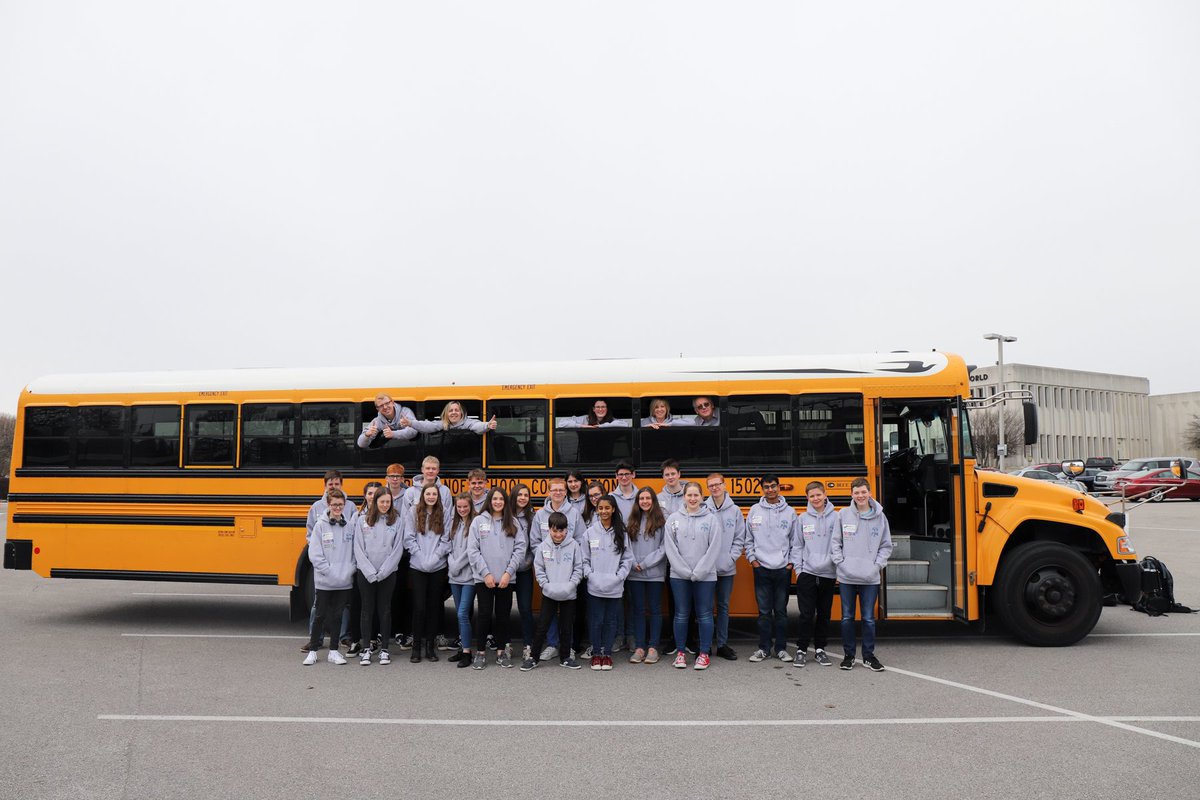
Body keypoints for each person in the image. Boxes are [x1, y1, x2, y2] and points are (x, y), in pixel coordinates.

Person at [832, 477, 893, 672]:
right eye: (856, 493)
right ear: (852, 494)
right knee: (847, 618)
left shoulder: (880, 517)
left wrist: (876, 566)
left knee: (868, 618)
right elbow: (835, 543)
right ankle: (849, 656)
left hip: (870, 577)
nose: (860, 496)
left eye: (863, 492)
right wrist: (841, 564)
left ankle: (868, 656)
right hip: (847, 576)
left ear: (870, 493)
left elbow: (886, 545)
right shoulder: (842, 515)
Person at [664, 482, 722, 670]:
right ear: (684, 497)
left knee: (705, 614)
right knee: (681, 614)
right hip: (679, 576)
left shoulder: (711, 520)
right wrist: (684, 571)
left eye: (696, 495)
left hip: (705, 576)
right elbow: (670, 548)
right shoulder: (673, 519)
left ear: (702, 497)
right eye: (689, 495)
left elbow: (714, 548)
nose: (692, 498)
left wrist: (699, 571)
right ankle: (681, 653)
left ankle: (704, 654)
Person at [467, 487, 526, 669]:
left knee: (503, 616)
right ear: (489, 501)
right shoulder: (478, 521)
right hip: (484, 578)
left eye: (501, 499)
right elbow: (473, 550)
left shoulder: (513, 522)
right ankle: (481, 653)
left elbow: (520, 549)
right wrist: (486, 573)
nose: (498, 502)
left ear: (505, 501)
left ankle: (501, 652)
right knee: (484, 615)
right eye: (495, 499)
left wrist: (509, 573)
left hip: (506, 579)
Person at [745, 474, 799, 663]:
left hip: (782, 569)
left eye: (773, 486)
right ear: (762, 488)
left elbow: (795, 541)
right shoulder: (754, 510)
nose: (770, 490)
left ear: (779, 487)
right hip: (761, 569)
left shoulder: (790, 512)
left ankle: (781, 649)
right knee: (764, 612)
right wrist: (754, 562)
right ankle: (764, 649)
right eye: (767, 487)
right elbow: (748, 539)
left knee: (781, 612)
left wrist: (790, 564)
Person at [521, 511, 584, 671]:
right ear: (549, 530)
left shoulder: (574, 546)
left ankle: (565, 657)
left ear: (566, 530)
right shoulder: (543, 547)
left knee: (566, 626)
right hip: (549, 593)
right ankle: (533, 657)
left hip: (568, 593)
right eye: (554, 531)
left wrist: (572, 584)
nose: (558, 534)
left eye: (561, 531)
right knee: (542, 625)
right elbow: (539, 568)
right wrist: (545, 585)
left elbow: (578, 568)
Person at [302, 471, 358, 652]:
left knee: (344, 605)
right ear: (325, 485)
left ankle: (343, 637)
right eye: (330, 484)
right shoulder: (316, 507)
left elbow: (354, 533)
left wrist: (349, 566)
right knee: (318, 605)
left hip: (343, 564)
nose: (333, 487)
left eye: (337, 484)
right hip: (325, 564)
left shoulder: (350, 507)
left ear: (342, 484)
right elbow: (310, 533)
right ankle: (315, 639)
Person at [531, 477, 581, 661]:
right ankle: (552, 644)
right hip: (549, 574)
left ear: (566, 492)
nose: (558, 493)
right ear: (548, 491)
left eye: (561, 489)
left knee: (568, 619)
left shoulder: (574, 513)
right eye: (554, 490)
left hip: (567, 575)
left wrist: (572, 580)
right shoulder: (539, 515)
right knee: (547, 617)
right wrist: (547, 559)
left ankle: (567, 650)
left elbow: (580, 540)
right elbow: (535, 541)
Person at [353, 486, 404, 665]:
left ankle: (384, 650)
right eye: (381, 501)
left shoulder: (397, 520)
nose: (384, 505)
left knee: (385, 610)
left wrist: (383, 572)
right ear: (375, 502)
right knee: (367, 610)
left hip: (387, 574)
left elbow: (397, 549)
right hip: (366, 574)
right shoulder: (363, 520)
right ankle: (366, 648)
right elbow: (358, 548)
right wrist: (369, 572)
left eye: (388, 502)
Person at [583, 495, 633, 670]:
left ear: (613, 510)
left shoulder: (622, 533)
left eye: (607, 508)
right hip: (594, 586)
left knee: (611, 621)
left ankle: (607, 655)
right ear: (597, 510)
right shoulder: (589, 533)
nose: (603, 511)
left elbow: (627, 559)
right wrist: (591, 575)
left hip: (615, 586)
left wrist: (619, 577)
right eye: (600, 508)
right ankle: (596, 654)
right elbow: (584, 560)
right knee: (596, 621)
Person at [405, 484, 452, 663]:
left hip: (437, 567)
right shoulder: (413, 512)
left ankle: (430, 647)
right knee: (419, 607)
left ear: (438, 496)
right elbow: (408, 538)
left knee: (434, 607)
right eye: (428, 494)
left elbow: (447, 539)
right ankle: (416, 647)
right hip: (417, 566)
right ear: (422, 495)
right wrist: (421, 557)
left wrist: (434, 558)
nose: (431, 497)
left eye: (434, 494)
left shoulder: (445, 512)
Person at [793, 481, 838, 668]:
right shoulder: (802, 519)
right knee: (806, 614)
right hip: (808, 573)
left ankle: (820, 649)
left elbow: (840, 544)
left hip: (828, 573)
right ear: (807, 498)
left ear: (825, 495)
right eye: (812, 496)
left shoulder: (837, 518)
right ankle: (801, 650)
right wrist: (799, 570)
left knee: (824, 613)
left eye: (818, 495)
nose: (816, 499)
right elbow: (797, 546)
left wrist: (837, 567)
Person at [704, 473, 745, 661]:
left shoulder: (735, 510)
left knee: (723, 606)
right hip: (706, 569)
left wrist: (731, 559)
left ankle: (721, 644)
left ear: (724, 485)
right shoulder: (703, 508)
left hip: (727, 568)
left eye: (717, 484)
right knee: (704, 608)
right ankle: (704, 645)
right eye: (711, 485)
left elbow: (739, 538)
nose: (714, 488)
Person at [625, 487, 666, 664]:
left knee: (655, 610)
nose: (644, 501)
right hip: (635, 573)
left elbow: (664, 547)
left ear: (653, 500)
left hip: (655, 573)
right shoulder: (632, 520)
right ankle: (640, 647)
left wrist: (646, 563)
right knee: (638, 611)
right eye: (641, 498)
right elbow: (626, 546)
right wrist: (634, 563)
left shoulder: (661, 520)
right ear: (637, 501)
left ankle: (653, 648)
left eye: (648, 498)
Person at [344, 481, 381, 654]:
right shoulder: (357, 516)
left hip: (376, 569)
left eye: (375, 493)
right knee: (356, 604)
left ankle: (372, 639)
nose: (372, 496)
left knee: (372, 605)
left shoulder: (384, 516)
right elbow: (352, 542)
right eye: (369, 493)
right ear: (365, 496)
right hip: (359, 567)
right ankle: (355, 639)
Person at [446, 493, 478, 669]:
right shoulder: (453, 523)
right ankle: (462, 647)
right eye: (459, 507)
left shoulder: (475, 524)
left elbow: (472, 549)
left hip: (469, 576)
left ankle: (467, 652)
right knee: (459, 613)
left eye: (465, 506)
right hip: (454, 575)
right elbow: (448, 545)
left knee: (462, 614)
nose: (462, 509)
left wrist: (457, 564)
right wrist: (452, 564)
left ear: (470, 506)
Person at [510, 483, 538, 659]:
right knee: (503, 610)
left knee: (525, 608)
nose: (522, 498)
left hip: (524, 568)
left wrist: (529, 560)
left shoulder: (532, 517)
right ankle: (504, 644)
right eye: (519, 495)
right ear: (514, 496)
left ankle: (529, 644)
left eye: (526, 495)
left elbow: (534, 541)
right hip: (506, 570)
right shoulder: (506, 515)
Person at [404, 400, 497, 435]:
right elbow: (427, 426)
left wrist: (487, 425)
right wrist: (411, 423)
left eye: (456, 410)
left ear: (461, 413)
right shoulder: (442, 423)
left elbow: (477, 426)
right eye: (450, 411)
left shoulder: (468, 422)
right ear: (446, 414)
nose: (453, 413)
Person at [555, 399, 631, 428]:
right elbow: (561, 423)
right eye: (598, 407)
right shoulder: (585, 419)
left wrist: (601, 426)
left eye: (603, 407)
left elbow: (625, 424)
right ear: (593, 409)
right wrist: (582, 426)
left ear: (607, 409)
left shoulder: (611, 420)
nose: (600, 409)